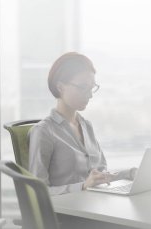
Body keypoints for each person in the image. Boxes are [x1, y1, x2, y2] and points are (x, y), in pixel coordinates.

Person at [29, 52, 136, 195]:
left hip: (95, 204)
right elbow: (37, 192)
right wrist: (83, 186)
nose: (90, 95)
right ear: (60, 87)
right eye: (82, 87)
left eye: (92, 88)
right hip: (68, 213)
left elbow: (100, 174)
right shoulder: (44, 131)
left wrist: (130, 173)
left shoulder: (86, 126)